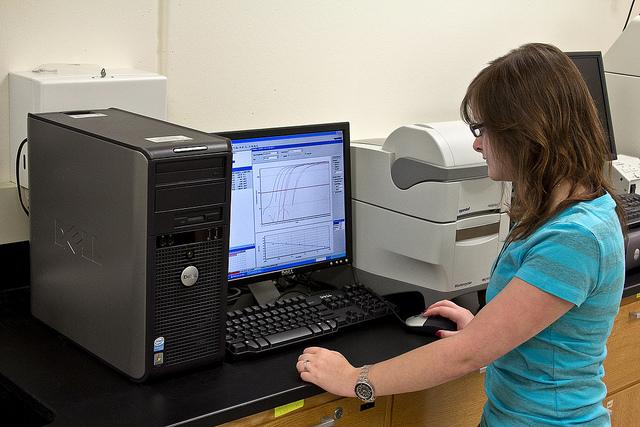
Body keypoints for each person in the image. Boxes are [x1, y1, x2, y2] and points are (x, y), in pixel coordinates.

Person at [295, 43, 626, 426]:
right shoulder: (569, 208)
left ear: (528, 134)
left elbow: (466, 356)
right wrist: (487, 330)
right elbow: (545, 333)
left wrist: (355, 379)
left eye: (483, 130)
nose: (477, 143)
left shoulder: (575, 237)